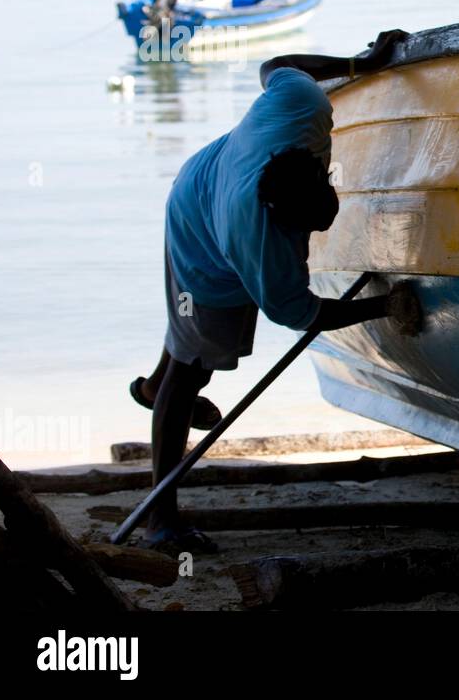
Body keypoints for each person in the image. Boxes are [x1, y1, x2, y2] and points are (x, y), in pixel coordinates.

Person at [130, 29, 418, 553]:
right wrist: (384, 306)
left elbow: (278, 63)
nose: (308, 238)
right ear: (278, 221)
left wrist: (361, 62)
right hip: (202, 228)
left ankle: (152, 388)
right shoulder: (260, 242)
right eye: (301, 232)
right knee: (193, 367)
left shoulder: (300, 108)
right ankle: (159, 518)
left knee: (190, 339)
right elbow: (307, 315)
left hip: (204, 174)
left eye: (319, 219)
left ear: (317, 166)